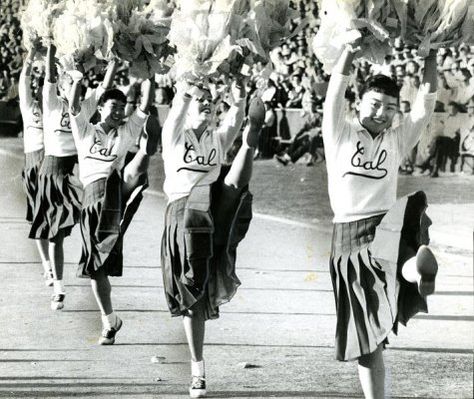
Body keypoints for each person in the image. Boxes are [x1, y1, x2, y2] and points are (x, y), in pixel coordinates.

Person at [321, 42, 439, 399]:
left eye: (390, 108)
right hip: (346, 232)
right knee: (367, 337)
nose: (382, 113)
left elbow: (426, 102)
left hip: (385, 225)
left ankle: (416, 271)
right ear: (360, 102)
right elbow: (334, 90)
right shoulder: (338, 132)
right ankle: (414, 273)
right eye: (375, 104)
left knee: (392, 256)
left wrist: (431, 56)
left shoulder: (398, 138)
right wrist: (348, 51)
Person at [160, 78, 264, 398]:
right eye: (200, 101)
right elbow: (178, 108)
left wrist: (240, 93)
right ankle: (198, 370)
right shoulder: (174, 134)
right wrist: (191, 83)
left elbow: (234, 115)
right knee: (191, 296)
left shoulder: (217, 138)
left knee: (200, 294)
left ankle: (198, 369)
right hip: (182, 215)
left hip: (210, 214)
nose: (206, 105)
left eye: (210, 101)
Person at [68, 61, 155, 345]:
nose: (119, 112)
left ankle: (108, 323)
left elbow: (144, 106)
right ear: (101, 108)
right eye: (113, 107)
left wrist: (148, 74)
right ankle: (110, 320)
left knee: (99, 264)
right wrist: (79, 79)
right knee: (95, 267)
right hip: (90, 200)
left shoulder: (126, 131)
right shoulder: (85, 131)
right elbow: (74, 105)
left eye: (121, 107)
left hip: (113, 198)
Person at [28, 43, 83, 311]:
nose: (69, 87)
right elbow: (49, 75)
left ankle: (93, 269)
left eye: (74, 84)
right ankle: (58, 287)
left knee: (91, 223)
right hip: (51, 170)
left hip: (77, 170)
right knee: (54, 234)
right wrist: (50, 46)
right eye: (66, 83)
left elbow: (101, 87)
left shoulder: (83, 108)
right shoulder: (51, 102)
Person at [19, 45, 52, 286]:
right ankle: (47, 266)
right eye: (36, 85)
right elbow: (24, 76)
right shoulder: (28, 107)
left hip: (51, 167)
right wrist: (32, 53)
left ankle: (53, 266)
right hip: (33, 164)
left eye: (43, 87)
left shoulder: (53, 107)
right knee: (37, 220)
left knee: (53, 221)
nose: (39, 90)